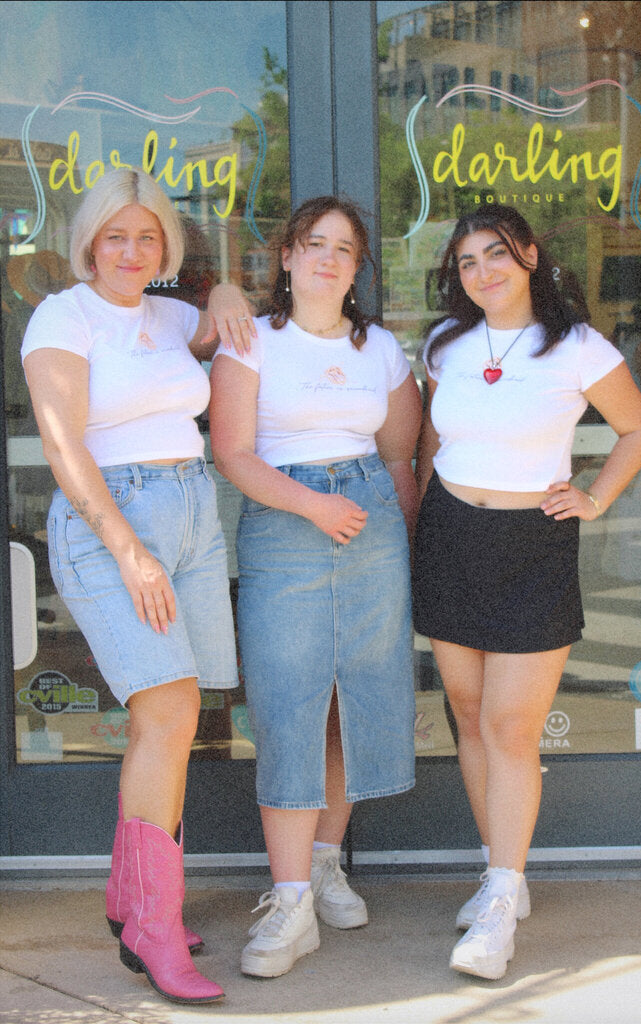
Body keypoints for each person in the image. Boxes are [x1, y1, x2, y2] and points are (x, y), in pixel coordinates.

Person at [413, 204, 641, 981]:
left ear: (526, 255)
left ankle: (497, 904)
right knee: (469, 716)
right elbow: (432, 443)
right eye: (466, 261)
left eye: (494, 254)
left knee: (511, 728)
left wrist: (595, 496)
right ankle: (500, 872)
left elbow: (637, 430)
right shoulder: (444, 345)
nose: (481, 271)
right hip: (451, 537)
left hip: (533, 545)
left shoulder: (577, 345)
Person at [21, 167, 238, 1004]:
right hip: (111, 524)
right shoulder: (63, 316)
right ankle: (153, 925)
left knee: (175, 716)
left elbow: (226, 320)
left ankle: (132, 897)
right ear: (89, 242)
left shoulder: (170, 316)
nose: (131, 251)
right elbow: (62, 443)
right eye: (115, 235)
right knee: (169, 712)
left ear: (165, 247)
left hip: (192, 513)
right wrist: (128, 550)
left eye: (147, 237)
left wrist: (228, 295)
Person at [209, 195, 421, 978]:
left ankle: (325, 862)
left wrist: (401, 540)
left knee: (352, 699)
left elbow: (398, 458)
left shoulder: (381, 351)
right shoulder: (252, 341)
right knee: (287, 703)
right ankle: (290, 901)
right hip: (284, 523)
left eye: (343, 248)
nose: (328, 258)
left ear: (357, 267)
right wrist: (311, 504)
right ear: (288, 257)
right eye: (314, 244)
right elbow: (233, 452)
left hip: (369, 526)